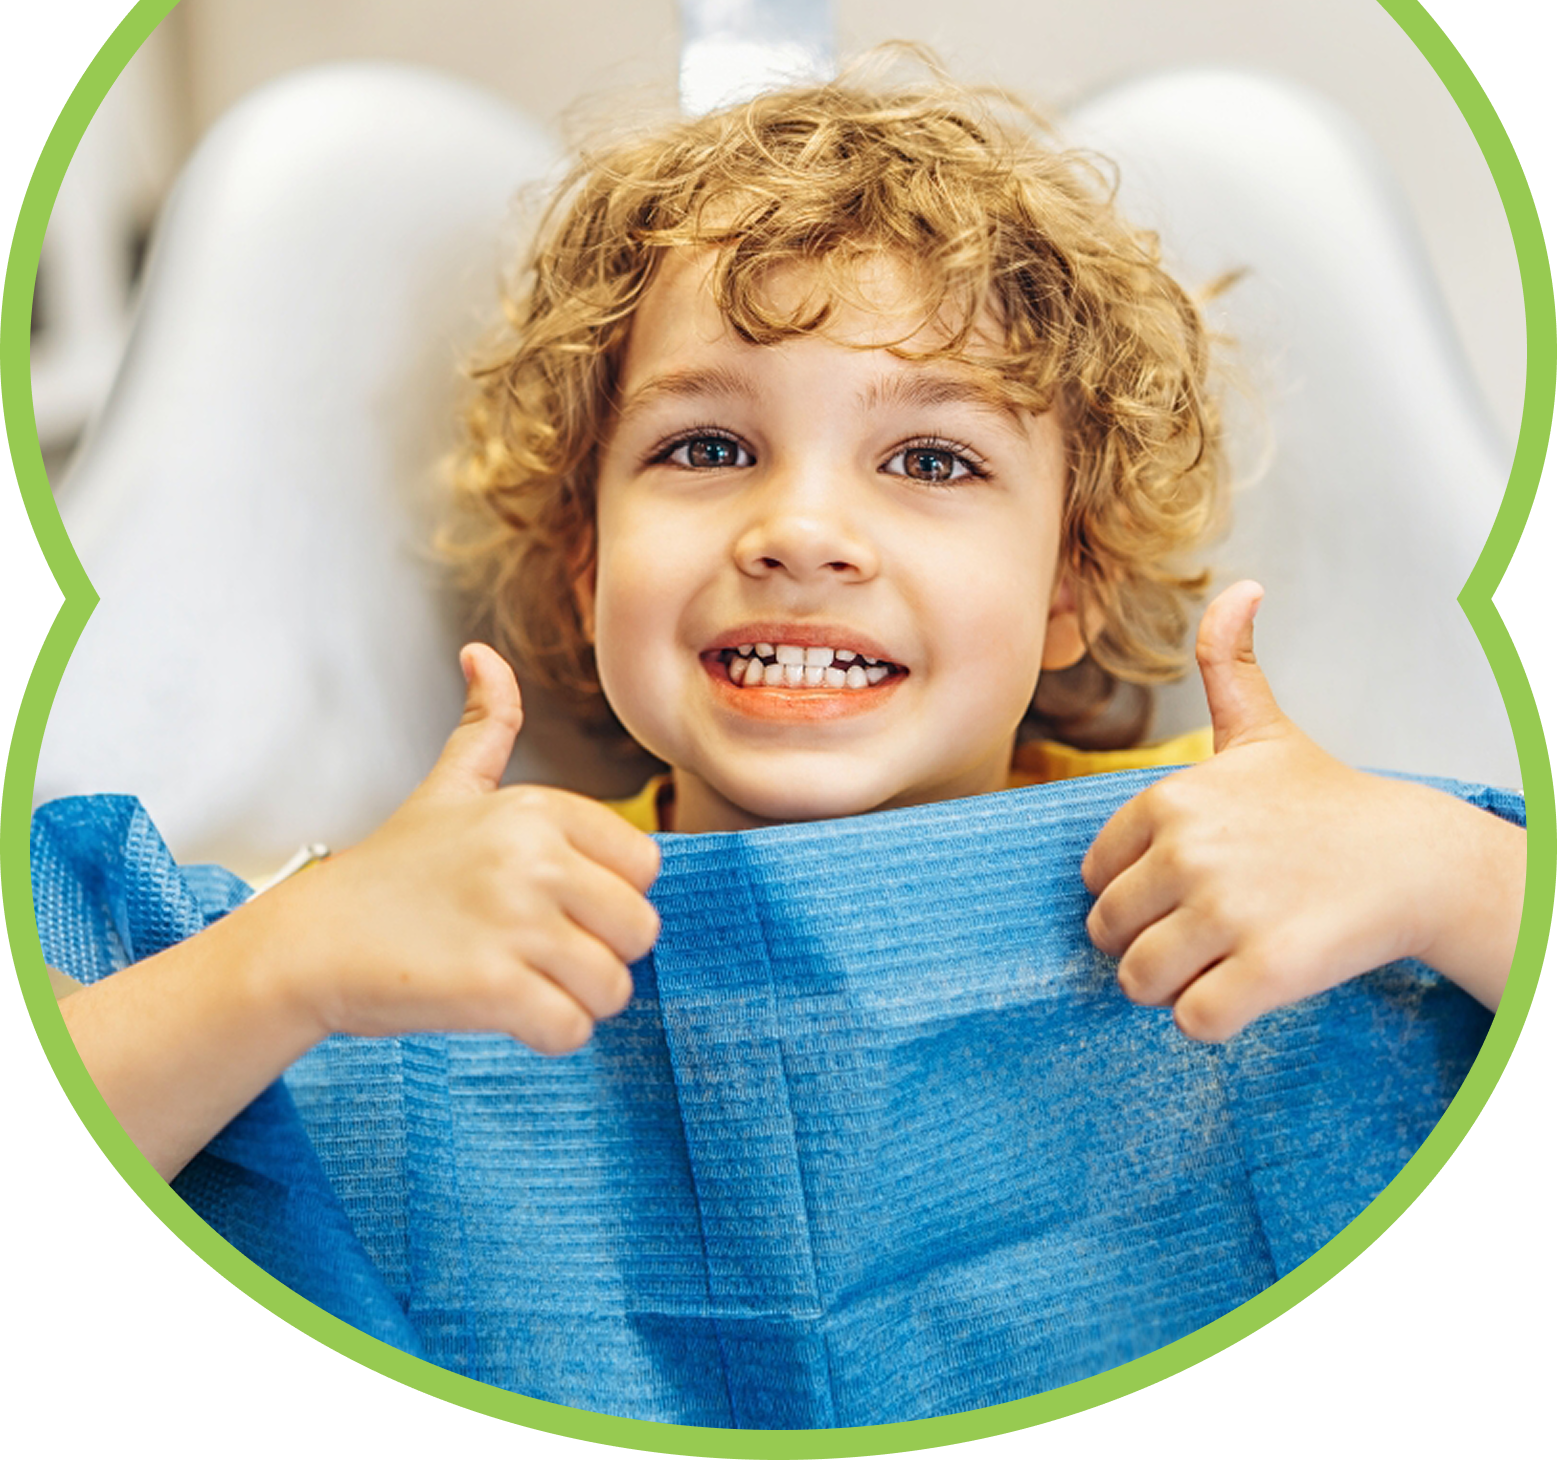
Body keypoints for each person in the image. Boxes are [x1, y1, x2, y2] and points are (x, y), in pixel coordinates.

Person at [48, 57, 1526, 1188]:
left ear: (1067, 590)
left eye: (931, 461)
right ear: (587, 569)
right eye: (706, 446)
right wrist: (284, 963)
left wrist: (1445, 875)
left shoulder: (1238, 845)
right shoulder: (443, 907)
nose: (802, 531)